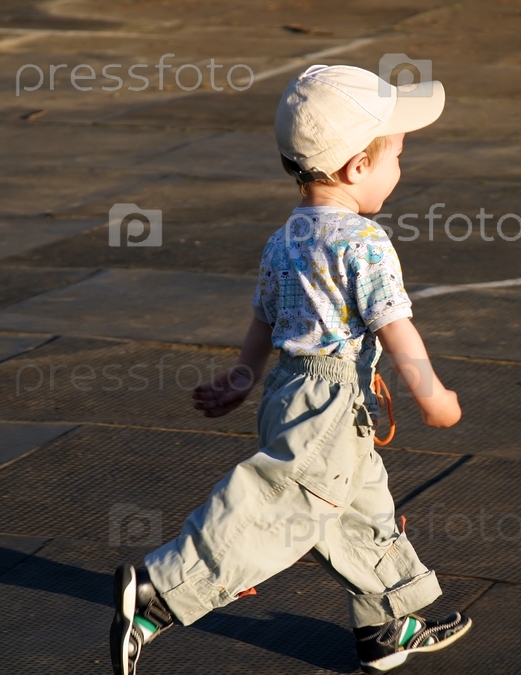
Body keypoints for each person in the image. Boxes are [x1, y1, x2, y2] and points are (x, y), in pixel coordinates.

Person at [110, 64, 472, 675]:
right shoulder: (364, 241)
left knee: (362, 510)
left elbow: (264, 321)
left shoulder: (284, 238)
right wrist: (432, 394)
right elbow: (395, 327)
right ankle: (161, 591)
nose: (399, 171)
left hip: (292, 390)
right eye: (397, 158)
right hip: (329, 401)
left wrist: (243, 379)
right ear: (358, 167)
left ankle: (389, 622)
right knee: (280, 508)